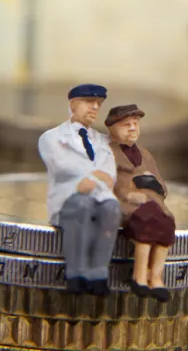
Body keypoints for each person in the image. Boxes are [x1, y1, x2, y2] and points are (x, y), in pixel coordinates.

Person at [37, 84, 121, 296]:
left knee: (111, 208)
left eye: (98, 104)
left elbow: (110, 175)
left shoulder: (101, 141)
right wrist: (95, 174)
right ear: (73, 105)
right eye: (88, 102)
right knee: (82, 206)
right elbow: (62, 166)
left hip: (100, 195)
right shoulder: (52, 137)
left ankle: (99, 273)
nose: (94, 107)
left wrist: (94, 177)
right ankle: (76, 273)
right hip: (69, 196)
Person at [105, 104, 176, 302]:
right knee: (146, 223)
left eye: (135, 124)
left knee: (166, 224)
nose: (132, 128)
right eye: (126, 125)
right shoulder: (108, 153)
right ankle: (139, 277)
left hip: (153, 202)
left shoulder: (145, 155)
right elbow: (107, 182)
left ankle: (156, 277)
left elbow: (162, 185)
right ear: (113, 129)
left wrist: (154, 186)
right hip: (127, 205)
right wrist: (128, 194)